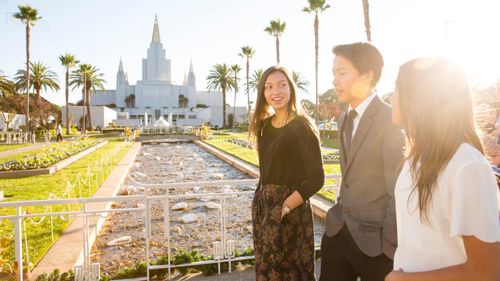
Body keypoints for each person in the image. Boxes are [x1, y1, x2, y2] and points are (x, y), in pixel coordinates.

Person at [385, 58, 500, 281]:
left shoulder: (466, 166)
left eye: (396, 89)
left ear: (420, 99)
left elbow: (489, 272)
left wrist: (403, 280)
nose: (391, 98)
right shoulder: (414, 160)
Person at [320, 42, 405, 281]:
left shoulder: (391, 120)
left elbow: (397, 189)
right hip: (338, 233)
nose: (335, 81)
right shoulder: (343, 119)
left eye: (342, 73)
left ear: (368, 75)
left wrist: (388, 245)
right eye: (334, 74)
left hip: (376, 246)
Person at [249, 65, 325, 280]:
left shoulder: (303, 126)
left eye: (282, 85)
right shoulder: (264, 126)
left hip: (291, 211)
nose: (276, 92)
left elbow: (317, 178)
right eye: (269, 87)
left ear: (291, 89)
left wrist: (285, 207)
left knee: (291, 273)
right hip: (265, 210)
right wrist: (259, 204)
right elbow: (266, 172)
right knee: (267, 270)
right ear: (263, 93)